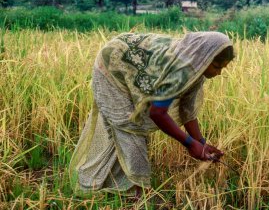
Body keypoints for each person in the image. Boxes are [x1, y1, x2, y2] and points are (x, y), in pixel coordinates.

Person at [69, 31, 234, 198]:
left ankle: (119, 183)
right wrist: (190, 143)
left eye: (222, 68)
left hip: (131, 62)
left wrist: (202, 143)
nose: (219, 73)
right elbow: (157, 113)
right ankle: (139, 193)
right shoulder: (179, 70)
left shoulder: (196, 67)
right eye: (217, 66)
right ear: (204, 58)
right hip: (112, 64)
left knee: (127, 130)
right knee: (131, 126)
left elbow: (187, 109)